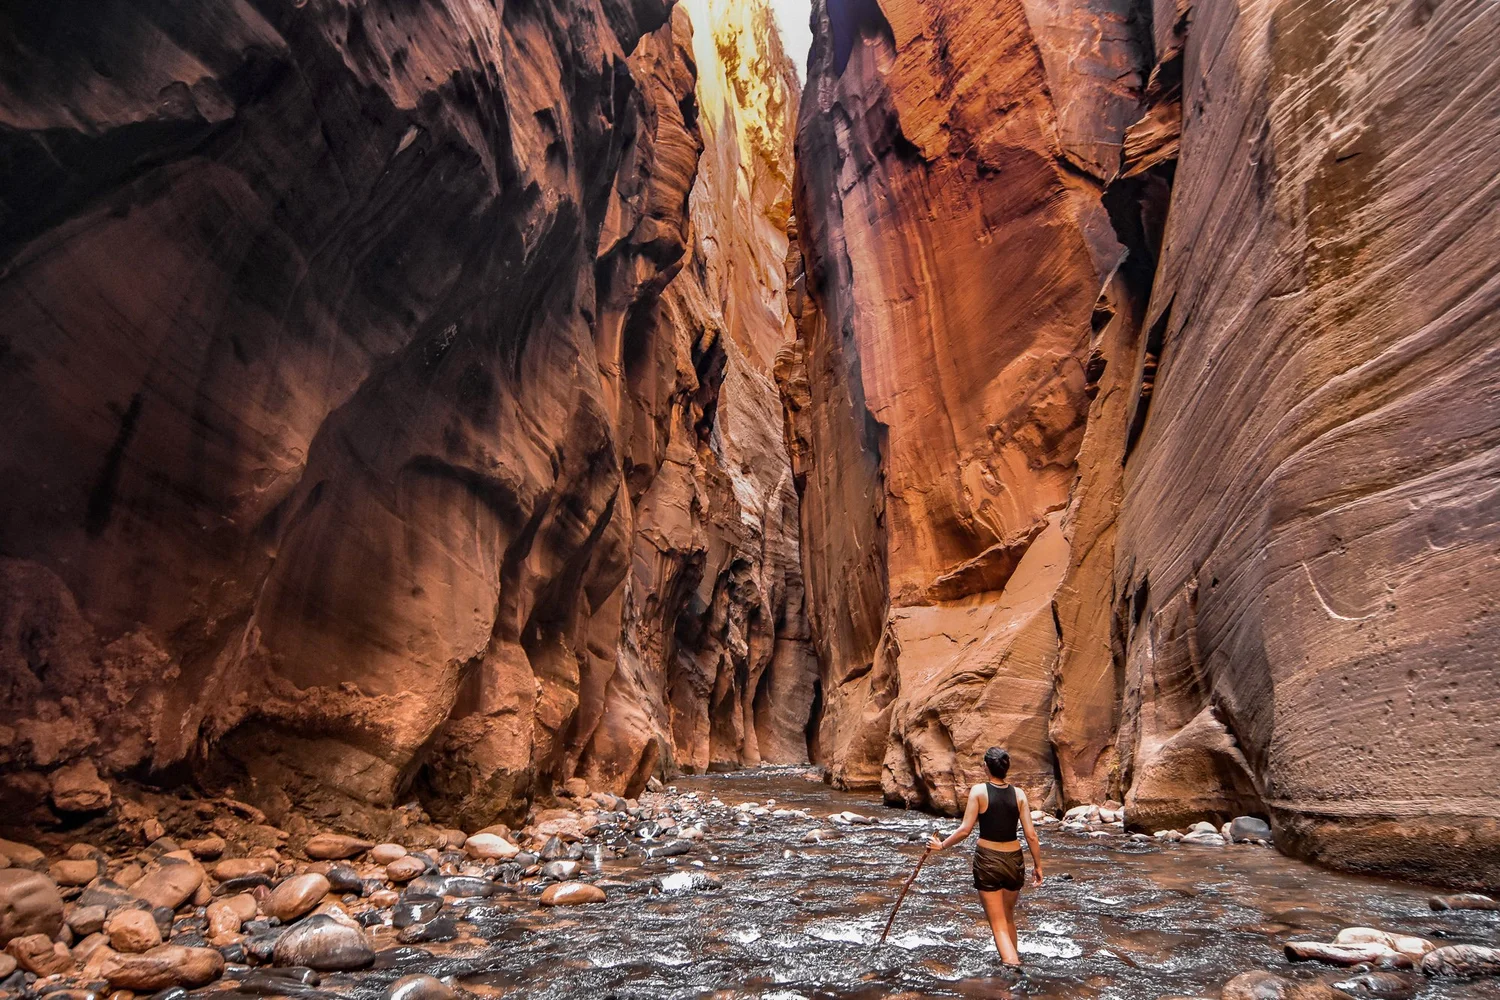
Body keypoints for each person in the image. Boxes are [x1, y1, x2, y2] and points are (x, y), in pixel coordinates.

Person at [926, 747, 1046, 966]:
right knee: (1008, 918)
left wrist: (941, 845)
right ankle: (1012, 960)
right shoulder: (1019, 794)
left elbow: (965, 830)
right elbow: (1031, 834)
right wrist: (1038, 865)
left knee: (998, 924)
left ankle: (1013, 968)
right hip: (1014, 860)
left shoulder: (979, 792)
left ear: (986, 767)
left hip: (988, 861)